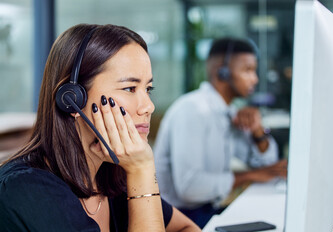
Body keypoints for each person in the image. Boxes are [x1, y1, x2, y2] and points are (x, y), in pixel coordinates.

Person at [0, 24, 200, 232]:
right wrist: (142, 170)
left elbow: (186, 227)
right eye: (130, 88)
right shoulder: (28, 190)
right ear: (72, 99)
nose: (148, 106)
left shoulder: (109, 175)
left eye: (148, 89)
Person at [154, 38, 287, 228]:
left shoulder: (227, 112)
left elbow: (267, 164)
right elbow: (190, 188)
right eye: (247, 70)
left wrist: (258, 130)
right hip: (178, 218)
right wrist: (251, 175)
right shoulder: (192, 110)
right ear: (222, 71)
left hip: (206, 209)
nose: (255, 79)